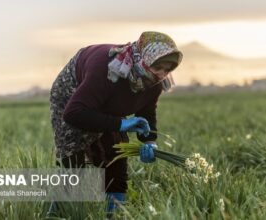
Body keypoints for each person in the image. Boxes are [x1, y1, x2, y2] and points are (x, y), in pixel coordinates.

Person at [47, 31, 183, 217]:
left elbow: (147, 113)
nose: (162, 73)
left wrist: (149, 142)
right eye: (158, 66)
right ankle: (57, 213)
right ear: (143, 59)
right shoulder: (105, 69)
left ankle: (114, 213)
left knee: (116, 153)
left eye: (168, 69)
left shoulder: (155, 82)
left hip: (110, 100)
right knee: (74, 162)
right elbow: (74, 113)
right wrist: (120, 124)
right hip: (74, 92)